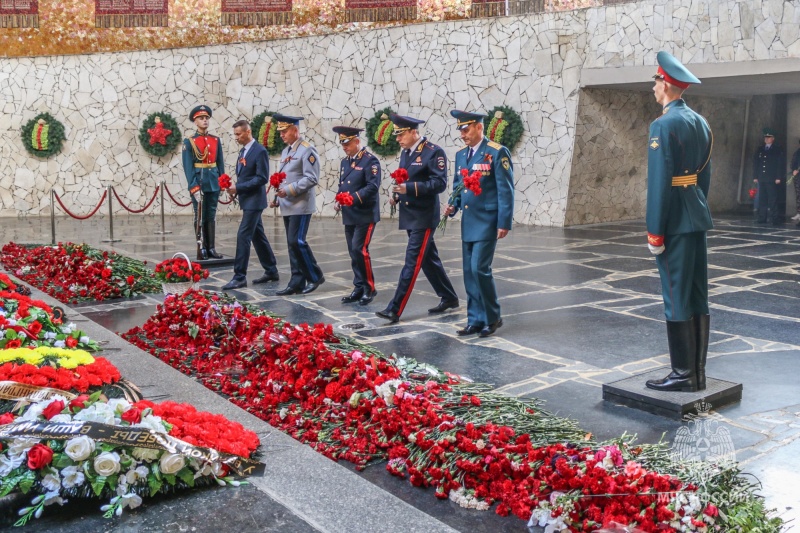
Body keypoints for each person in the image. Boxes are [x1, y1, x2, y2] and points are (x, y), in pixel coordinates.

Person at [644, 51, 713, 393]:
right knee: (697, 293)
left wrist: (655, 231)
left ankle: (682, 374)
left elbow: (659, 183)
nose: (653, 87)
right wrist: (696, 204)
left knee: (675, 295)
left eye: (656, 81)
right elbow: (705, 177)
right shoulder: (701, 122)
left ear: (667, 84)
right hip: (696, 216)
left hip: (673, 222)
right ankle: (697, 373)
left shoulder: (662, 125)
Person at [375, 114, 459, 324]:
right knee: (429, 260)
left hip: (423, 216)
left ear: (414, 132)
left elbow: (438, 184)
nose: (398, 138)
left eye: (401, 134)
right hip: (409, 214)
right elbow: (404, 178)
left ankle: (395, 308)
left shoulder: (433, 152)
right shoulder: (406, 153)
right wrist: (397, 194)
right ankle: (449, 297)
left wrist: (409, 188)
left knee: (412, 262)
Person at [445, 110, 514, 338]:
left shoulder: (495, 152)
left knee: (479, 269)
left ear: (478, 127)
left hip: (487, 221)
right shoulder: (461, 155)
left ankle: (492, 317)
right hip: (469, 221)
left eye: (466, 129)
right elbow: (459, 185)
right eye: (460, 130)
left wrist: (503, 222)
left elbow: (506, 190)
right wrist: (452, 206)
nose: (463, 134)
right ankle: (474, 320)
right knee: (468, 272)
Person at [221, 119, 279, 290]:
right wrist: (235, 189)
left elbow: (262, 178)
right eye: (235, 135)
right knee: (257, 236)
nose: (236, 137)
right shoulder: (243, 152)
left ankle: (239, 276)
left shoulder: (259, 151)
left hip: (255, 201)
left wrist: (238, 187)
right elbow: (245, 175)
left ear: (248, 132)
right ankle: (271, 270)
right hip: (247, 200)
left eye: (238, 134)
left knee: (243, 235)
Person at [270, 114, 325, 295]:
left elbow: (311, 178)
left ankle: (315, 276)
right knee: (291, 244)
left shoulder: (307, 150)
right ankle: (296, 281)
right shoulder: (287, 151)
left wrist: (290, 190)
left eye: (285, 131)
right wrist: (278, 198)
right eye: (280, 132)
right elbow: (284, 178)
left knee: (297, 241)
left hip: (301, 205)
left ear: (295, 130)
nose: (282, 135)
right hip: (287, 204)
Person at [332, 125, 380, 305]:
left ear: (357, 141)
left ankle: (369, 288)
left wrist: (352, 198)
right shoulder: (345, 162)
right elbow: (343, 184)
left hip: (364, 213)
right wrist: (339, 199)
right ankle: (358, 286)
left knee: (360, 250)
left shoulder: (370, 161)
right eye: (342, 143)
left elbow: (372, 187)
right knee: (353, 252)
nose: (344, 146)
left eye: (347, 143)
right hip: (349, 213)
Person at [182, 105, 223, 260]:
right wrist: (193, 186)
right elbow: (188, 166)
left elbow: (220, 163)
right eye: (201, 118)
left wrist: (222, 181)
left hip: (213, 181)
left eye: (206, 118)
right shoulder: (189, 141)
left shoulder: (215, 140)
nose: (204, 120)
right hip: (199, 182)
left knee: (211, 215)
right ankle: (202, 247)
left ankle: (211, 248)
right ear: (195, 121)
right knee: (200, 215)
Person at [753, 128, 785, 225]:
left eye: (769, 137)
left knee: (772, 199)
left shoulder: (777, 149)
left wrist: (778, 177)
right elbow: (756, 163)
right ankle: (762, 217)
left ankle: (775, 218)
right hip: (762, 178)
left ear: (773, 138)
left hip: (772, 178)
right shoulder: (760, 149)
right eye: (765, 137)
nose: (766, 139)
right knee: (762, 199)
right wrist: (755, 176)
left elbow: (780, 164)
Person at [790, 139, 800, 224]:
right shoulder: (797, 153)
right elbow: (793, 163)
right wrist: (794, 170)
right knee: (798, 195)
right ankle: (799, 212)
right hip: (798, 177)